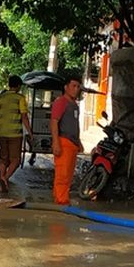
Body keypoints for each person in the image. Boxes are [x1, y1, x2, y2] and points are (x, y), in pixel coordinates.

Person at [0, 75, 31, 193]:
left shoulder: (0, 98)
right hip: (15, 134)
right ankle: (4, 178)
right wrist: (30, 132)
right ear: (18, 86)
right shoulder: (20, 98)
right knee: (16, 160)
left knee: (3, 159)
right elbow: (24, 117)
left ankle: (2, 185)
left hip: (2, 133)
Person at [51, 76, 83, 205]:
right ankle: (61, 200)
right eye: (73, 86)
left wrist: (78, 141)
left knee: (68, 175)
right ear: (66, 87)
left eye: (78, 87)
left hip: (72, 143)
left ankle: (62, 197)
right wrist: (56, 142)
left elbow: (75, 124)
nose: (76, 89)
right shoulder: (61, 102)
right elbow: (54, 122)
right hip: (63, 141)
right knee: (62, 174)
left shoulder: (74, 105)